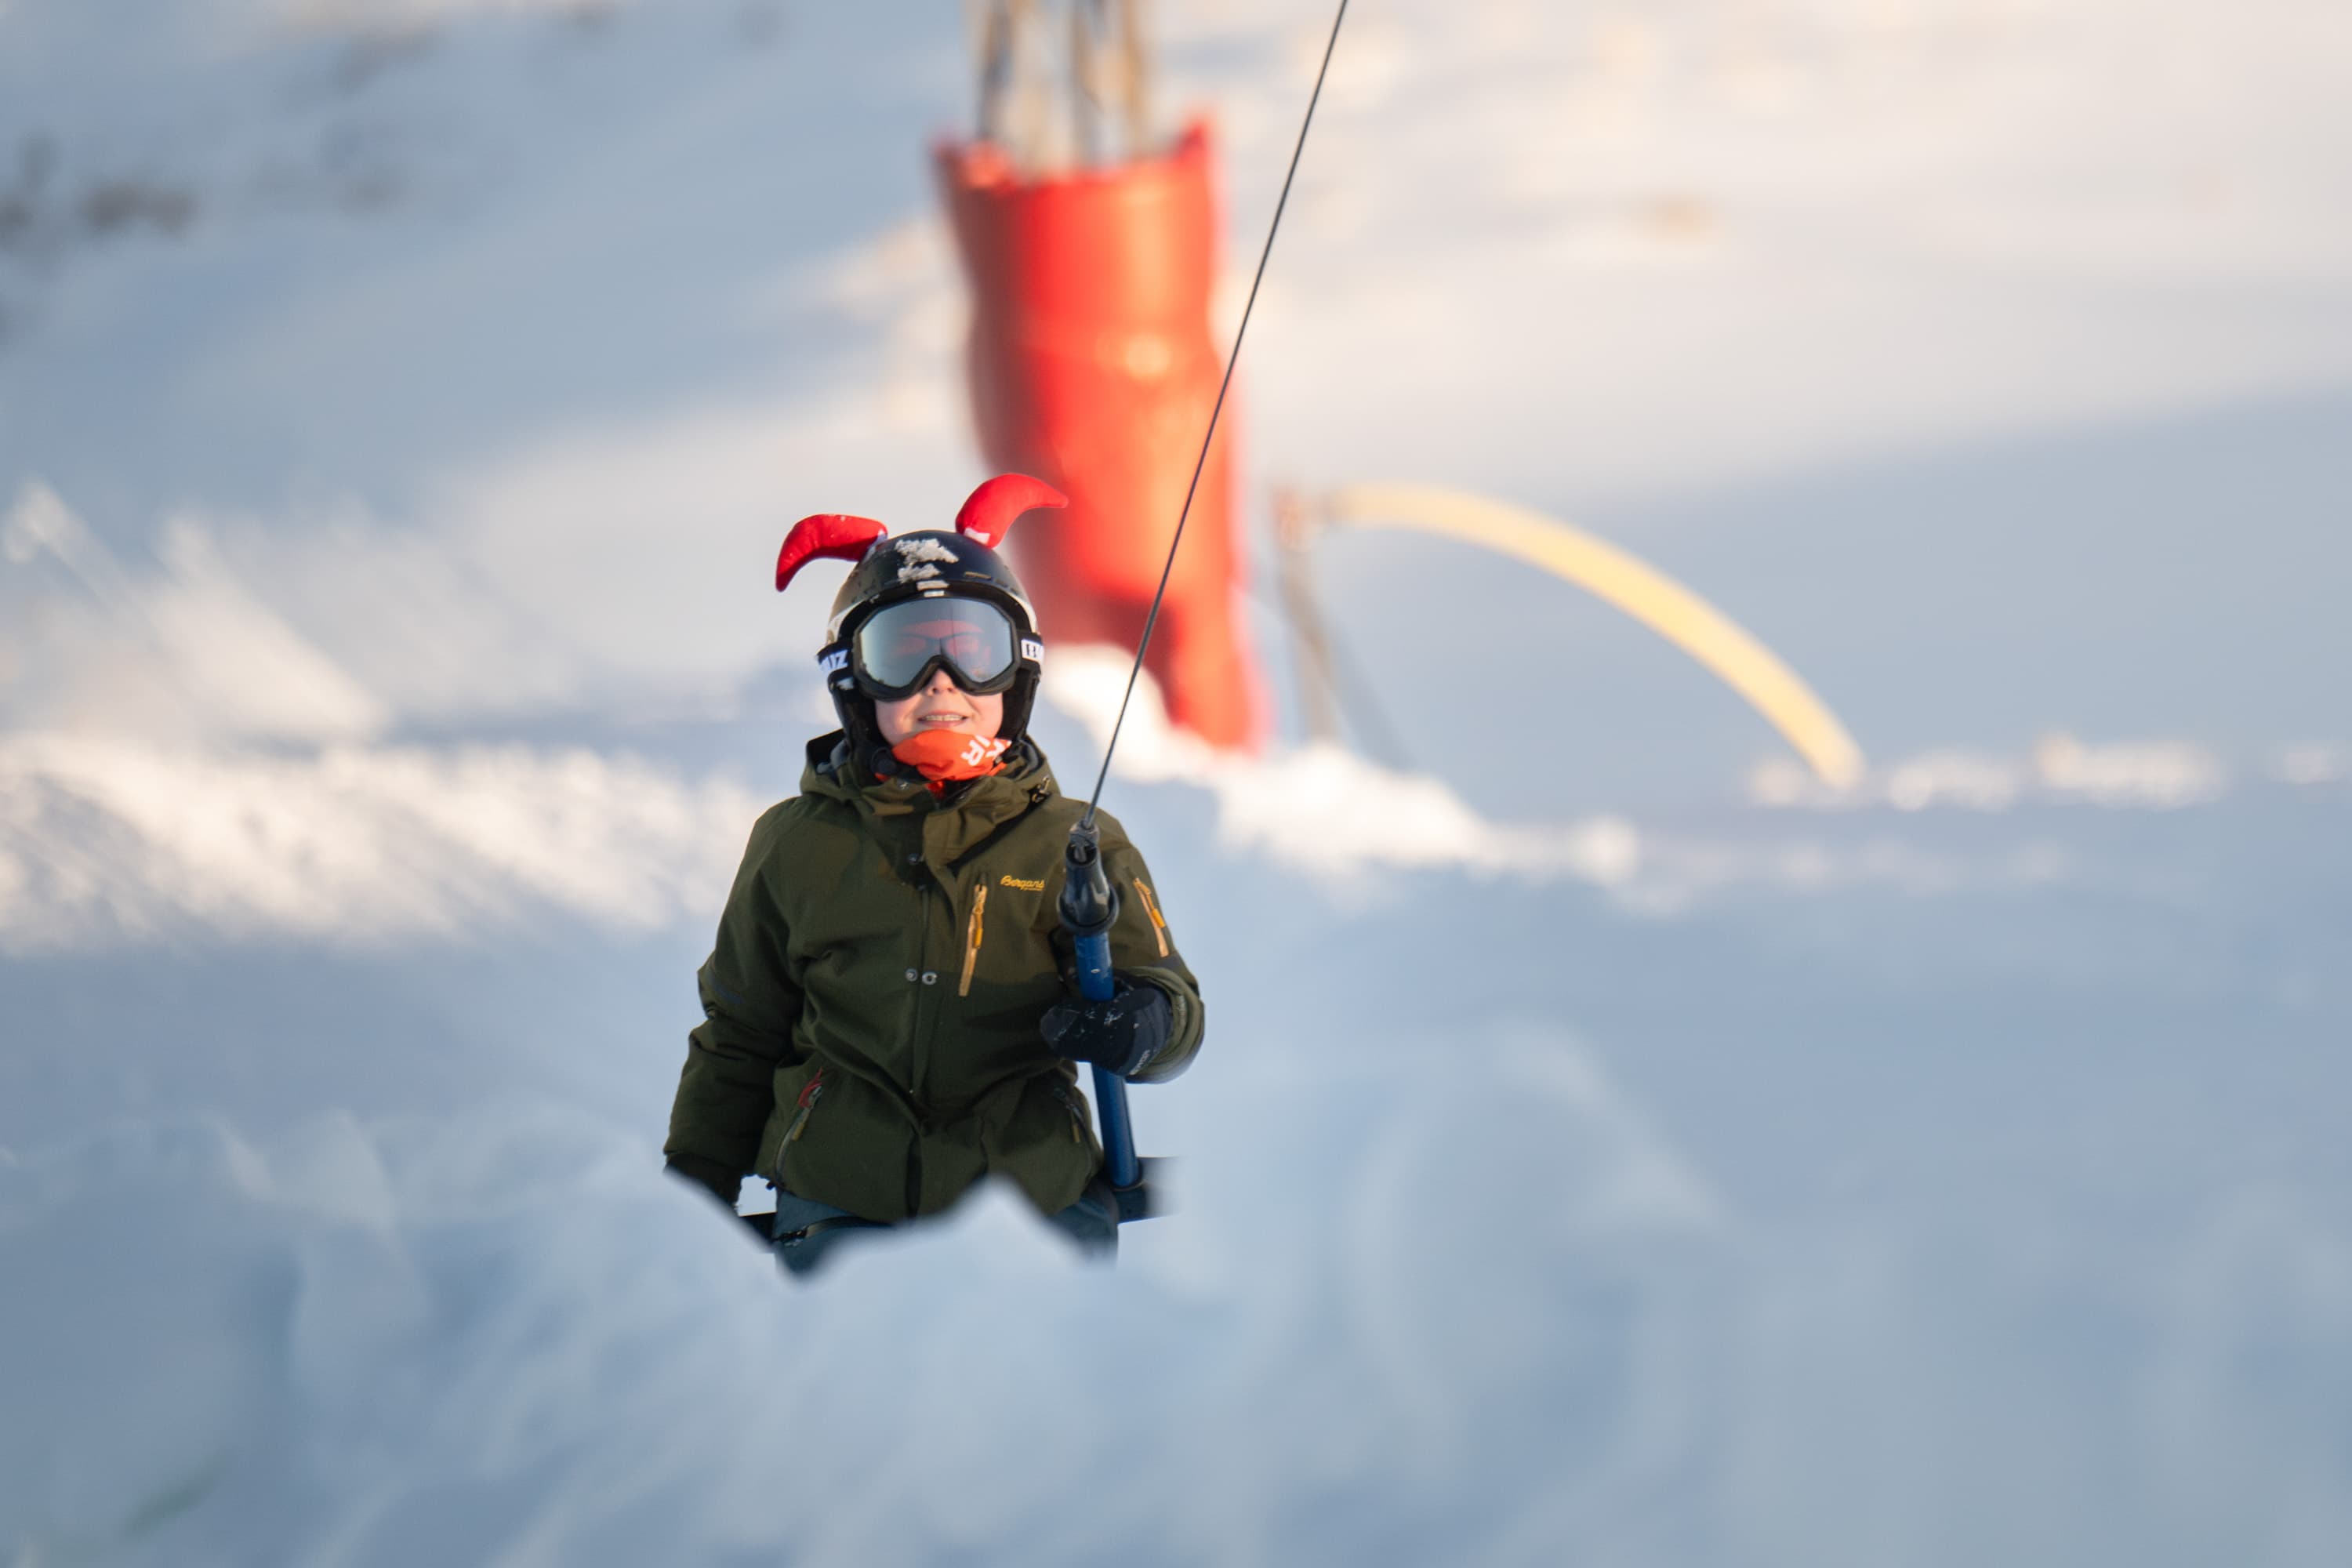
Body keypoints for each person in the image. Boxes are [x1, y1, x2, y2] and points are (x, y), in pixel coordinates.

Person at [661, 474, 1203, 1275]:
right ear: (855, 680)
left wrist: (1141, 1022)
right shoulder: (795, 843)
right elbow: (739, 1037)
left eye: (971, 649)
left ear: (1015, 674)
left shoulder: (1074, 841)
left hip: (1031, 1204)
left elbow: (1172, 1003)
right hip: (842, 1202)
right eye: (904, 652)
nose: (941, 679)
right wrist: (689, 1204)